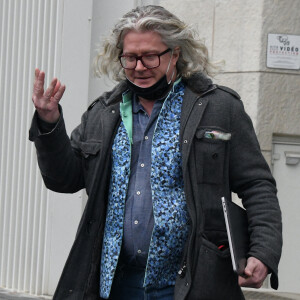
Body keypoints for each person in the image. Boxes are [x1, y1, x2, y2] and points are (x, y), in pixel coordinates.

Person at [29, 5, 282, 300]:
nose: (139, 66)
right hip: (115, 285)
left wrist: (263, 252)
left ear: (175, 53)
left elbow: (257, 185)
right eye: (130, 57)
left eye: (150, 56)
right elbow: (64, 179)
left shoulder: (218, 108)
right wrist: (49, 124)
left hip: (192, 286)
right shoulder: (104, 112)